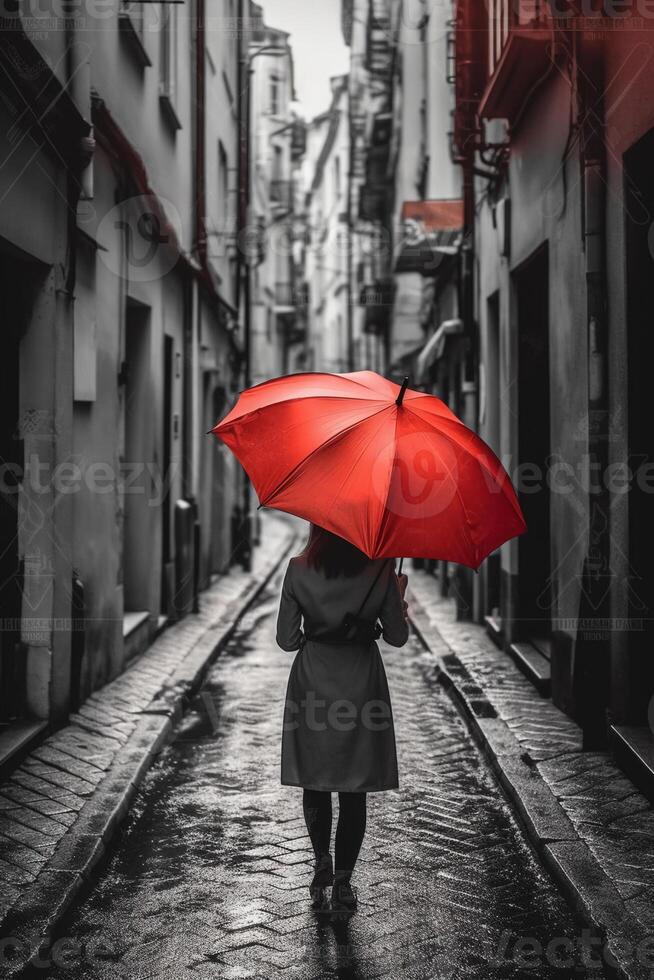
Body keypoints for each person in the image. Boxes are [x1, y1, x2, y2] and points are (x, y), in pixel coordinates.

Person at [276, 523, 409, 912]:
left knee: (315, 781)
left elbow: (286, 639)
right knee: (355, 787)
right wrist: (397, 600)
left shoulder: (298, 568)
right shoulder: (379, 568)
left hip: (314, 679)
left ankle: (321, 860)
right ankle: (344, 884)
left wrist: (313, 636)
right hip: (360, 682)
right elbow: (396, 637)